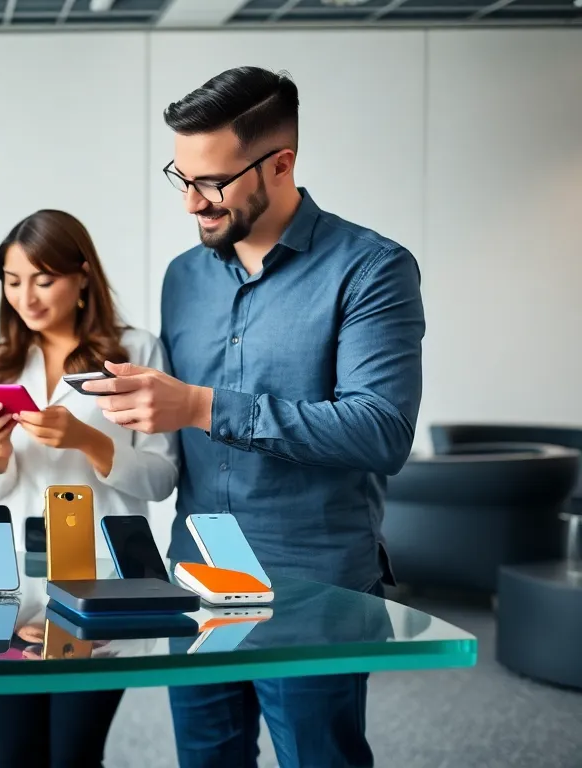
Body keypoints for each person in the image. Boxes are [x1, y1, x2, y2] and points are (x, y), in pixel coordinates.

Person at [85, 67, 425, 768]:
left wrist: (200, 406)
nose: (190, 203)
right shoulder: (184, 276)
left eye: (210, 182)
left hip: (315, 581)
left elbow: (380, 431)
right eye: (180, 178)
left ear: (281, 163)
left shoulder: (372, 269)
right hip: (198, 574)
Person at [0, 209, 179, 768]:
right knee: (15, 755)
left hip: (104, 585)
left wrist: (90, 440)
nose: (26, 297)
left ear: (82, 275)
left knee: (74, 755)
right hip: (15, 587)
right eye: (13, 282)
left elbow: (161, 478)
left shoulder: (136, 352)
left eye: (43, 279)